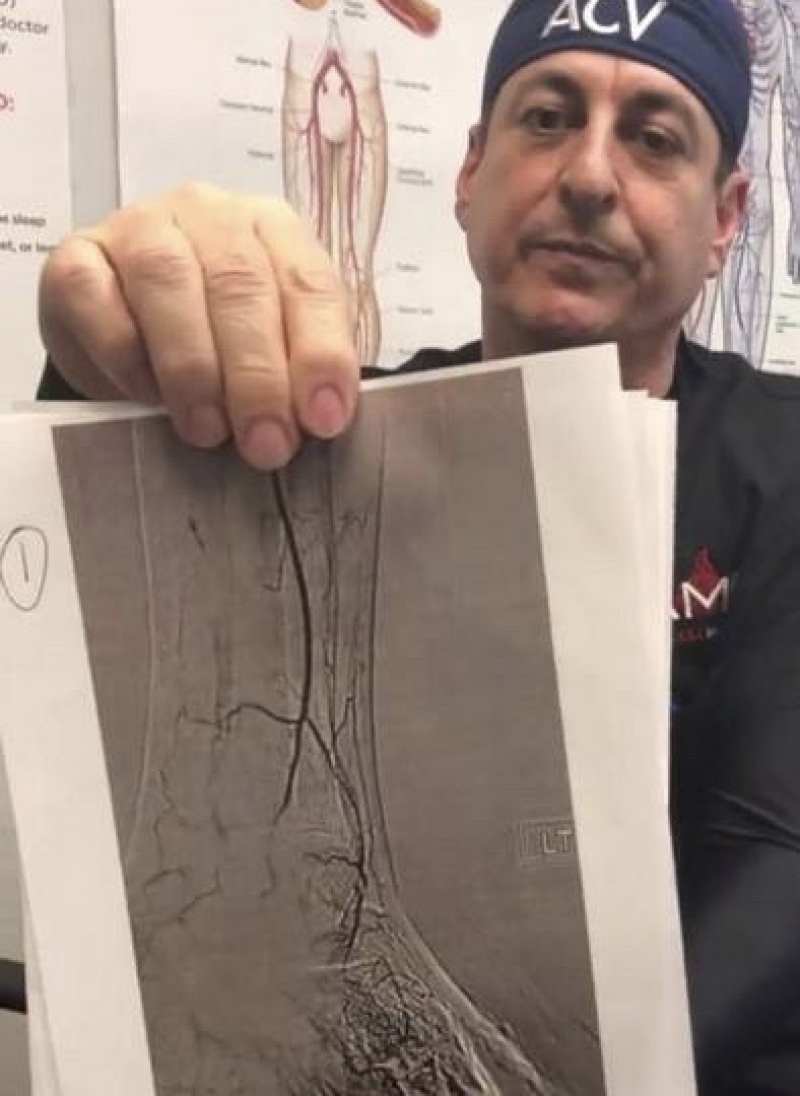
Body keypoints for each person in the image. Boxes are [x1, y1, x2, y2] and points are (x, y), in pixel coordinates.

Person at [35, 0, 800, 1092]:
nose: (590, 175)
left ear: (725, 219)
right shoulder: (327, 440)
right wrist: (100, 351)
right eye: (547, 118)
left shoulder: (782, 464)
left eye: (653, 138)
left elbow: (771, 856)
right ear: (470, 173)